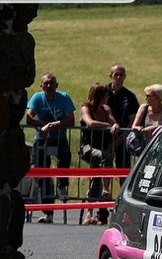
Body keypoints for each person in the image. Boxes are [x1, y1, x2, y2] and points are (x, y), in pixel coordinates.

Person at [25, 72, 76, 224]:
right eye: (46, 83)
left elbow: (71, 120)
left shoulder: (64, 97)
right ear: (41, 86)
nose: (49, 86)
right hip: (41, 140)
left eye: (52, 83)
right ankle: (48, 212)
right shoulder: (37, 97)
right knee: (42, 176)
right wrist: (43, 126)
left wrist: (54, 125)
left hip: (59, 140)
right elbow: (29, 117)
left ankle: (62, 184)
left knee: (65, 157)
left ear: (56, 85)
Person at [79, 83, 119, 226]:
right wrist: (108, 125)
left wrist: (114, 124)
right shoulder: (86, 108)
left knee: (94, 180)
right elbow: (89, 123)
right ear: (99, 96)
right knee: (107, 157)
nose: (108, 97)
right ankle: (106, 187)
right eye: (106, 95)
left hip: (102, 148)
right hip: (87, 148)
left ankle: (89, 214)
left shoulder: (106, 108)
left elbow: (114, 122)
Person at [106, 64, 139, 176]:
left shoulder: (130, 96)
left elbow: (132, 121)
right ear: (110, 75)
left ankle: (123, 193)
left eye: (121, 75)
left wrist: (119, 140)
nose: (119, 77)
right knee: (102, 169)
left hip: (123, 138)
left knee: (124, 171)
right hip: (103, 136)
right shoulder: (103, 92)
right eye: (116, 74)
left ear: (125, 76)